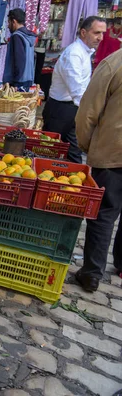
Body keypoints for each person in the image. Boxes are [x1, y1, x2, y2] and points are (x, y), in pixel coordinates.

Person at [74, 49, 122, 292]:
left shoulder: (114, 63)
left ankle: (92, 273)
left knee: (104, 213)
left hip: (113, 153)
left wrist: (86, 145)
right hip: (113, 152)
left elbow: (88, 111)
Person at [43, 16, 107, 164]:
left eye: (102, 33)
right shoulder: (74, 54)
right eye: (97, 33)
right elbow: (77, 90)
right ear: (83, 33)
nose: (101, 38)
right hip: (61, 111)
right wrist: (92, 114)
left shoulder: (84, 52)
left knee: (72, 154)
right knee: (50, 153)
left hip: (72, 109)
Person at [2, 8, 37, 91]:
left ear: (14, 22)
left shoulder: (17, 36)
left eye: (9, 22)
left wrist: (15, 83)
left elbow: (19, 60)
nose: (8, 26)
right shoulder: (28, 37)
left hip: (18, 81)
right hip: (27, 79)